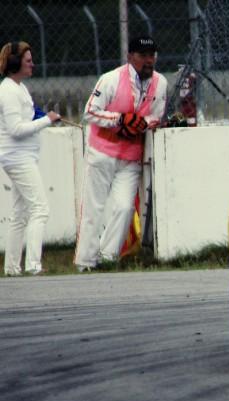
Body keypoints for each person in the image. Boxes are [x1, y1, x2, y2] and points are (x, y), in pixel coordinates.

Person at [74, 35, 167, 271]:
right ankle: (85, 261)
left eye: (152, 56)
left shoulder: (161, 82)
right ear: (130, 57)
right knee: (93, 208)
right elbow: (89, 112)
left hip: (131, 157)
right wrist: (120, 120)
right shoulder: (110, 79)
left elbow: (156, 116)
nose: (149, 61)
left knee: (125, 207)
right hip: (102, 153)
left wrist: (142, 123)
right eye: (143, 56)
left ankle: (107, 257)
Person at [0, 41, 61, 276]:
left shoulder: (19, 88)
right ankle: (34, 265)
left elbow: (29, 117)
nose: (32, 64)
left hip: (23, 157)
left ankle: (12, 268)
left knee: (21, 213)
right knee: (40, 209)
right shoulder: (8, 92)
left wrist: (45, 117)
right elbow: (15, 129)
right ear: (15, 63)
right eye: (28, 61)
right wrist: (47, 120)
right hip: (18, 158)